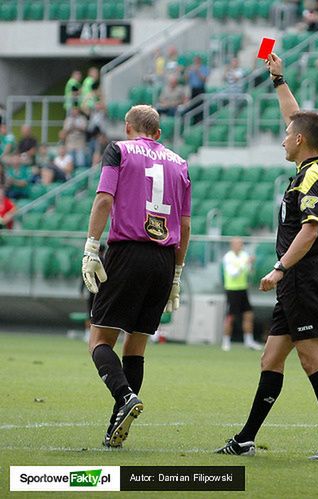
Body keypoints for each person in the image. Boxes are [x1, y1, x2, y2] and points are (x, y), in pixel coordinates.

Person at [216, 52, 318, 461]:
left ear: (298, 141)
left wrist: (279, 269)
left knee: (312, 360)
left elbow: (309, 232)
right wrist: (278, 80)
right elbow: (297, 118)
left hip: (302, 275)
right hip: (297, 278)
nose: (282, 137)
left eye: (286, 134)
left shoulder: (312, 176)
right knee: (271, 357)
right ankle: (245, 438)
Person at [81, 104, 191, 448]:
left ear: (128, 127)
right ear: (158, 133)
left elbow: (103, 200)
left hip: (128, 252)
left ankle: (125, 396)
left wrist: (91, 247)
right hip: (163, 259)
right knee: (137, 346)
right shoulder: (180, 163)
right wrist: (176, 273)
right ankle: (118, 425)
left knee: (99, 341)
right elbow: (185, 225)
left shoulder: (119, 150)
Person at [222, 237, 262, 352]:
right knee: (231, 316)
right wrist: (246, 264)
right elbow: (233, 273)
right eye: (237, 244)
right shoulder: (228, 257)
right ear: (232, 245)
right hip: (232, 290)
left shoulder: (244, 255)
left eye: (241, 244)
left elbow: (248, 271)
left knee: (248, 314)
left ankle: (249, 340)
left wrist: (250, 267)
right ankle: (226, 341)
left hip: (243, 289)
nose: (240, 246)